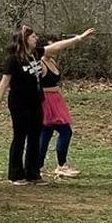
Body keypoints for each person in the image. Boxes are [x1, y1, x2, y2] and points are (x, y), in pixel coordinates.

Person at [36, 28, 95, 177]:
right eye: (52, 46)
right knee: (64, 131)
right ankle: (61, 165)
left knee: (46, 132)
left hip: (56, 100)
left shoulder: (52, 62)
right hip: (46, 102)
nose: (56, 49)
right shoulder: (40, 63)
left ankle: (39, 165)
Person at [0, 23, 47, 185]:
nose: (36, 38)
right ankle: (16, 174)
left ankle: (33, 173)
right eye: (33, 36)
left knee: (34, 137)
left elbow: (56, 47)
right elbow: (5, 81)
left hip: (36, 101)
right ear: (24, 39)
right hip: (19, 103)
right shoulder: (13, 59)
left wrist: (79, 38)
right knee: (20, 137)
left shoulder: (36, 54)